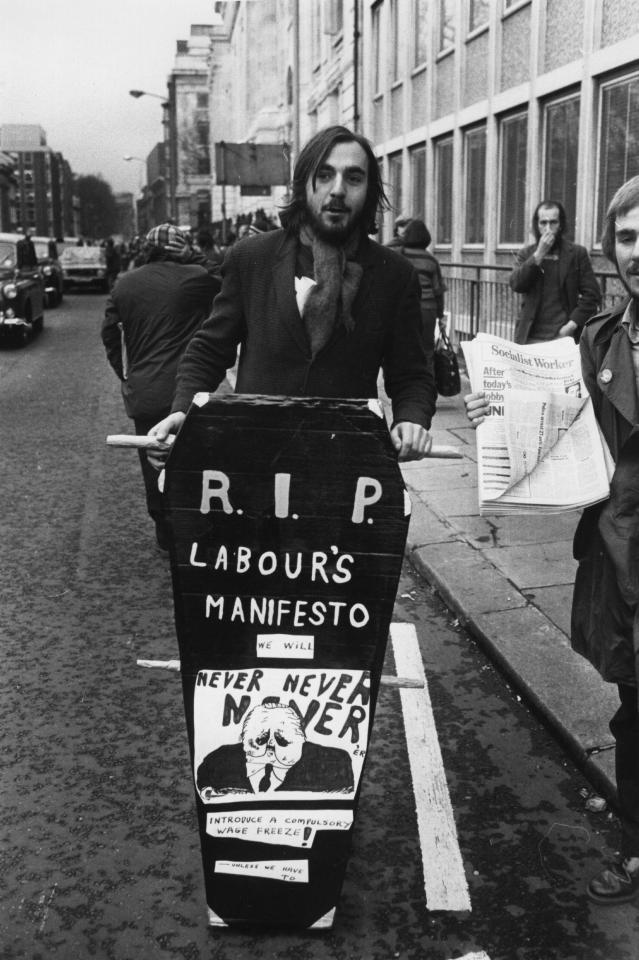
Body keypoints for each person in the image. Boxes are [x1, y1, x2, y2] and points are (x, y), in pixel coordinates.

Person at [465, 175, 639, 905]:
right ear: (609, 247)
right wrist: (492, 411)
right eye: (627, 236)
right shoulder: (602, 336)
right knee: (630, 702)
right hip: (619, 555)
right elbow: (558, 425)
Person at [147, 125, 436, 466]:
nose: (338, 190)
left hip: (347, 466)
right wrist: (183, 410)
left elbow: (412, 372)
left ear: (370, 192)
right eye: (324, 175)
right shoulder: (252, 257)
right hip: (257, 459)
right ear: (302, 185)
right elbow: (210, 350)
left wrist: (411, 418)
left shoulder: (395, 274)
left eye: (354, 178)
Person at [101, 223, 219, 551]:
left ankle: (165, 530)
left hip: (146, 391)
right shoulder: (195, 277)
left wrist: (125, 375)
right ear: (179, 249)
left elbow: (109, 333)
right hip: (189, 389)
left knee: (153, 462)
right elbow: (229, 276)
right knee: (196, 461)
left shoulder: (124, 285)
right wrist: (194, 255)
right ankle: (197, 531)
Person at [509, 200, 601, 344]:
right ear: (536, 225)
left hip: (563, 336)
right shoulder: (526, 254)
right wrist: (539, 254)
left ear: (561, 225)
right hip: (530, 337)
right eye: (543, 223)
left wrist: (571, 326)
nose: (548, 229)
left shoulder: (577, 253)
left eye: (553, 222)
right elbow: (516, 284)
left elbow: (592, 295)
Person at [392, 218, 446, 362]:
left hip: (404, 307)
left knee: (400, 349)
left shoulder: (398, 255)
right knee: (426, 350)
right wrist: (440, 316)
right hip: (428, 310)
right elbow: (438, 292)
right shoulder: (431, 260)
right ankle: (427, 382)